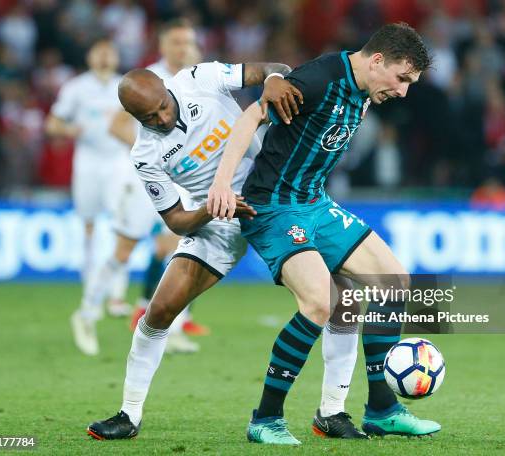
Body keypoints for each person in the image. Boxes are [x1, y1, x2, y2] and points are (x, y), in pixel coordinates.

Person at [208, 22, 440, 444]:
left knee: (395, 282)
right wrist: (222, 184)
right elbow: (251, 116)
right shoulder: (320, 78)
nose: (404, 91)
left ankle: (381, 409)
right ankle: (266, 419)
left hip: (315, 203)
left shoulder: (367, 91)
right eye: (401, 78)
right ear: (376, 61)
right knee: (322, 301)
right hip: (273, 206)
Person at [86, 59, 304, 440]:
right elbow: (175, 221)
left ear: (166, 88)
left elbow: (275, 67)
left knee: (325, 298)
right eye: (148, 118)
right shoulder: (145, 155)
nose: (162, 119)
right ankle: (129, 415)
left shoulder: (198, 79)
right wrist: (211, 207)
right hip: (217, 221)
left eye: (163, 107)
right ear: (133, 116)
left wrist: (270, 80)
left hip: (274, 198)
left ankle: (335, 409)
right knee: (159, 311)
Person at [80, 18, 204, 355]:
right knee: (124, 251)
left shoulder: (194, 77)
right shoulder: (147, 79)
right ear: (163, 46)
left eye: (189, 42)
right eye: (178, 42)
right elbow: (117, 126)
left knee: (178, 249)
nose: (185, 48)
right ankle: (87, 313)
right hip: (143, 180)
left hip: (179, 181)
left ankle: (171, 326)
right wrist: (149, 155)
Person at [45, 38, 129, 356]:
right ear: (91, 56)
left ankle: (117, 296)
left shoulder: (126, 86)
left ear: (116, 56)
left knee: (122, 226)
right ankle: (91, 294)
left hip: (119, 163)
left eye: (110, 51)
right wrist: (68, 131)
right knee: (90, 230)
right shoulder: (76, 87)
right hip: (88, 164)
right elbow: (52, 122)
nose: (105, 56)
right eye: (100, 51)